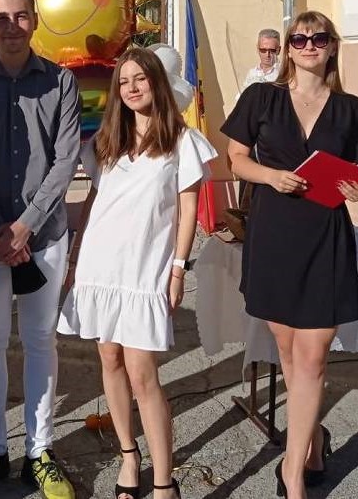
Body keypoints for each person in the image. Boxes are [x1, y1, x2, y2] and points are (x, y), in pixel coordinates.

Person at [221, 11, 358, 499]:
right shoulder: (261, 97)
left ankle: (292, 474)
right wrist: (271, 176)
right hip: (274, 234)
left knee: (312, 356)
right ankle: (311, 445)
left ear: (332, 46)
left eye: (318, 38)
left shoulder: (352, 109)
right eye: (299, 38)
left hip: (325, 234)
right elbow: (235, 160)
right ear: (289, 48)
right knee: (289, 350)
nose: (309, 45)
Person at [58, 48, 217, 499]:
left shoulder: (183, 141)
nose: (131, 88)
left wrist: (178, 269)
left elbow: (188, 211)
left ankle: (164, 480)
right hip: (100, 265)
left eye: (139, 79)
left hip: (145, 270)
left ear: (157, 83)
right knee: (109, 359)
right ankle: (129, 455)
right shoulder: (106, 141)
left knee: (143, 375)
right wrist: (74, 259)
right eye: (123, 81)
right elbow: (94, 201)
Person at [0, 0, 81, 499]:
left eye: (21, 15)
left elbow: (66, 160)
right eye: (1, 18)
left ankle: (39, 450)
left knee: (39, 340)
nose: (12, 26)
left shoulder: (61, 82)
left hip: (43, 236)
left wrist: (25, 225)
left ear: (35, 20)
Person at [239, 28, 281, 93]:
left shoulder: (284, 73)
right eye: (263, 50)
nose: (267, 54)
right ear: (258, 49)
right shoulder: (252, 73)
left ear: (279, 50)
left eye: (272, 50)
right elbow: (241, 95)